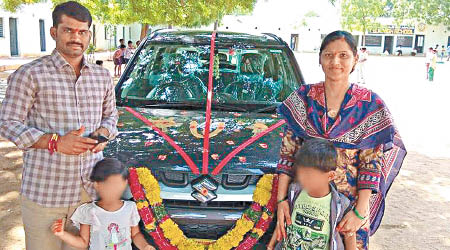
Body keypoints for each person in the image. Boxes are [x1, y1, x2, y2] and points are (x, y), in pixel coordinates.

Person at [0, 2, 118, 250]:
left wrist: (103, 134)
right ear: (54, 32)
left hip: (90, 191)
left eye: (82, 32)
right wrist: (54, 142)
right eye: (68, 30)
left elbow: (111, 116)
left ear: (89, 34)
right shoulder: (30, 74)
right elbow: (7, 123)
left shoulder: (102, 76)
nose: (76, 38)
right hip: (46, 192)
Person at [274, 30, 406, 250]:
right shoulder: (303, 98)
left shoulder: (370, 105)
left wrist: (359, 212)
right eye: (328, 55)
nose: (335, 61)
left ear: (355, 59)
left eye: (343, 55)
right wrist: (281, 202)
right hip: (305, 207)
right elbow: (287, 156)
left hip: (348, 212)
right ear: (320, 59)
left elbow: (371, 166)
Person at [51, 158, 155, 250]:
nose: (114, 189)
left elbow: (135, 234)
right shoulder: (88, 211)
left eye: (118, 184)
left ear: (124, 184)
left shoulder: (130, 208)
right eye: (110, 185)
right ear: (97, 185)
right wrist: (62, 234)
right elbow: (83, 243)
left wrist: (144, 246)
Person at [271, 139, 356, 250]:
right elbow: (283, 222)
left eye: (310, 176)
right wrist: (271, 245)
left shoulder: (341, 204)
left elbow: (349, 235)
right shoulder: (294, 192)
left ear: (330, 176)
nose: (302, 179)